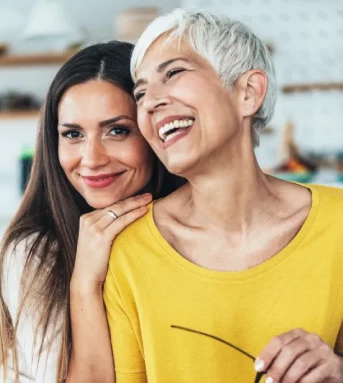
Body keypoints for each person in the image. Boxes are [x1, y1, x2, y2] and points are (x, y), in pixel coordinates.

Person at [104, 9, 343, 383]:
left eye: (174, 73)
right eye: (140, 92)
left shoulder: (338, 225)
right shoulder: (130, 252)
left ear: (248, 92)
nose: (150, 103)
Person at [0, 41, 183, 383]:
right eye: (73, 134)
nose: (91, 158)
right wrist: (85, 280)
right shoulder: (33, 251)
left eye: (117, 130)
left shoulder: (187, 233)